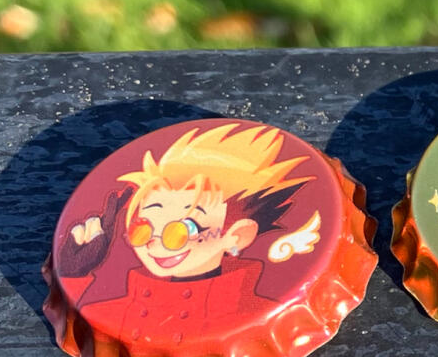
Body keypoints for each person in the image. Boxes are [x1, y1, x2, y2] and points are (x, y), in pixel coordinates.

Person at [55, 123, 315, 343]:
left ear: (238, 236)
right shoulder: (108, 314)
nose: (156, 243)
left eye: (182, 230)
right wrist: (74, 275)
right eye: (143, 226)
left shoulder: (263, 315)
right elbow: (83, 316)